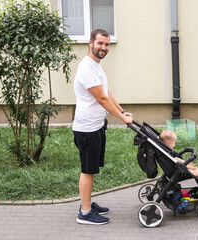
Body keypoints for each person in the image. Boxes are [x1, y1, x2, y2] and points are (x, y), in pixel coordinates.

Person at [72, 29, 133, 225]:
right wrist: (122, 118)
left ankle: (86, 203)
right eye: (100, 44)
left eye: (106, 44)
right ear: (90, 43)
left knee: (91, 169)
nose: (104, 48)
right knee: (87, 170)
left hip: (96, 126)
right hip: (87, 129)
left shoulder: (96, 66)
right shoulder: (86, 68)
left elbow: (106, 93)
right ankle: (85, 213)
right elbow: (101, 99)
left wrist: (122, 111)